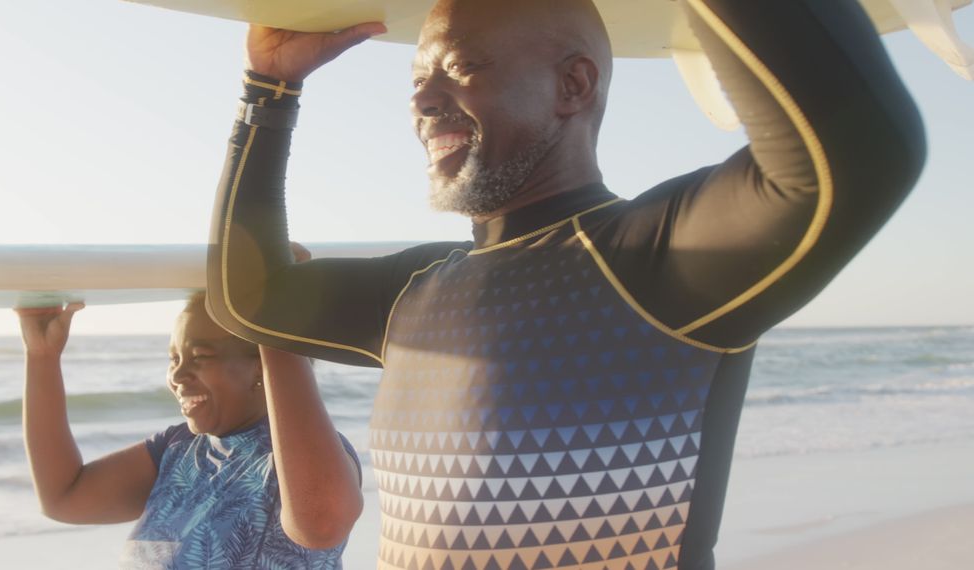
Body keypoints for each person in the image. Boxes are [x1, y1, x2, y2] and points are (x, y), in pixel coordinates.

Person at [204, 0, 925, 568]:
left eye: (459, 67)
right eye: (418, 79)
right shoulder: (414, 290)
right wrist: (269, 87)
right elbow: (250, 298)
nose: (423, 100)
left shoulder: (655, 261)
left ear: (572, 85)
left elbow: (857, 152)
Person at [17, 254, 363, 568]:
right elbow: (64, 496)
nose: (178, 375)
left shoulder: (304, 461)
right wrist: (42, 357)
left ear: (261, 364)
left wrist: (275, 317)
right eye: (174, 358)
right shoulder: (179, 450)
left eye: (200, 356)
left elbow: (322, 522)